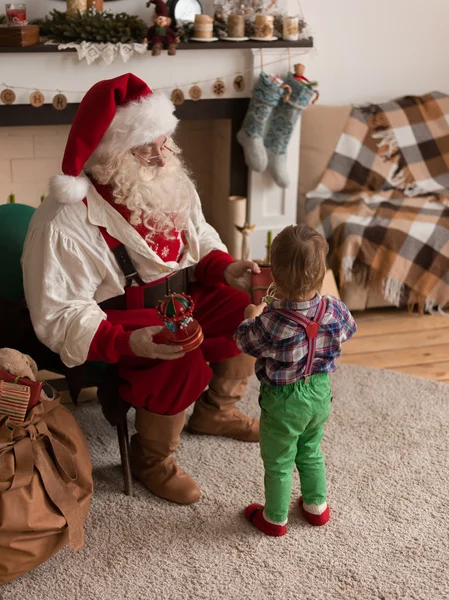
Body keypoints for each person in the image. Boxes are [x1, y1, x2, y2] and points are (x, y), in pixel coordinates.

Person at [22, 73, 261, 506]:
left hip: (182, 297)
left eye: (163, 140)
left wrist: (224, 269)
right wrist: (126, 339)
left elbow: (199, 235)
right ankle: (152, 460)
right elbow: (59, 311)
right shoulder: (64, 221)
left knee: (246, 308)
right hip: (116, 317)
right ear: (111, 154)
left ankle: (215, 411)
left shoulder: (171, 179)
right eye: (143, 146)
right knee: (177, 348)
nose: (159, 155)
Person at [234, 225, 356, 536]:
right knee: (311, 448)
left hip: (284, 400)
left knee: (279, 459)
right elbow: (349, 329)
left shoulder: (270, 322)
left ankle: (274, 518)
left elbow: (244, 343)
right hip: (319, 393)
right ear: (322, 271)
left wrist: (250, 316)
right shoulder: (334, 308)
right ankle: (317, 506)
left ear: (273, 273)